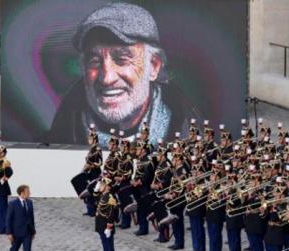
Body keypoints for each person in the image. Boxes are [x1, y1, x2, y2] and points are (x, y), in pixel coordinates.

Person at [47, 2, 199, 146]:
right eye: (94, 61)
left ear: (153, 67)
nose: (107, 78)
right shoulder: (52, 147)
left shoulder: (201, 150)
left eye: (122, 59)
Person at [6, 185, 36, 251]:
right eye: (28, 191)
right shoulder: (13, 204)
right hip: (16, 233)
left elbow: (31, 218)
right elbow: (8, 219)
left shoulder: (30, 203)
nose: (29, 193)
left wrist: (33, 231)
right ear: (22, 193)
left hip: (27, 233)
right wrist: (9, 233)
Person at [95, 176, 119, 251]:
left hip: (106, 226)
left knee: (108, 248)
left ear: (107, 186)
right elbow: (94, 196)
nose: (100, 186)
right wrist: (96, 188)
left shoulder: (110, 197)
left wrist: (109, 227)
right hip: (101, 225)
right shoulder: (103, 195)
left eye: (102, 184)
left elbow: (112, 212)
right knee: (106, 247)